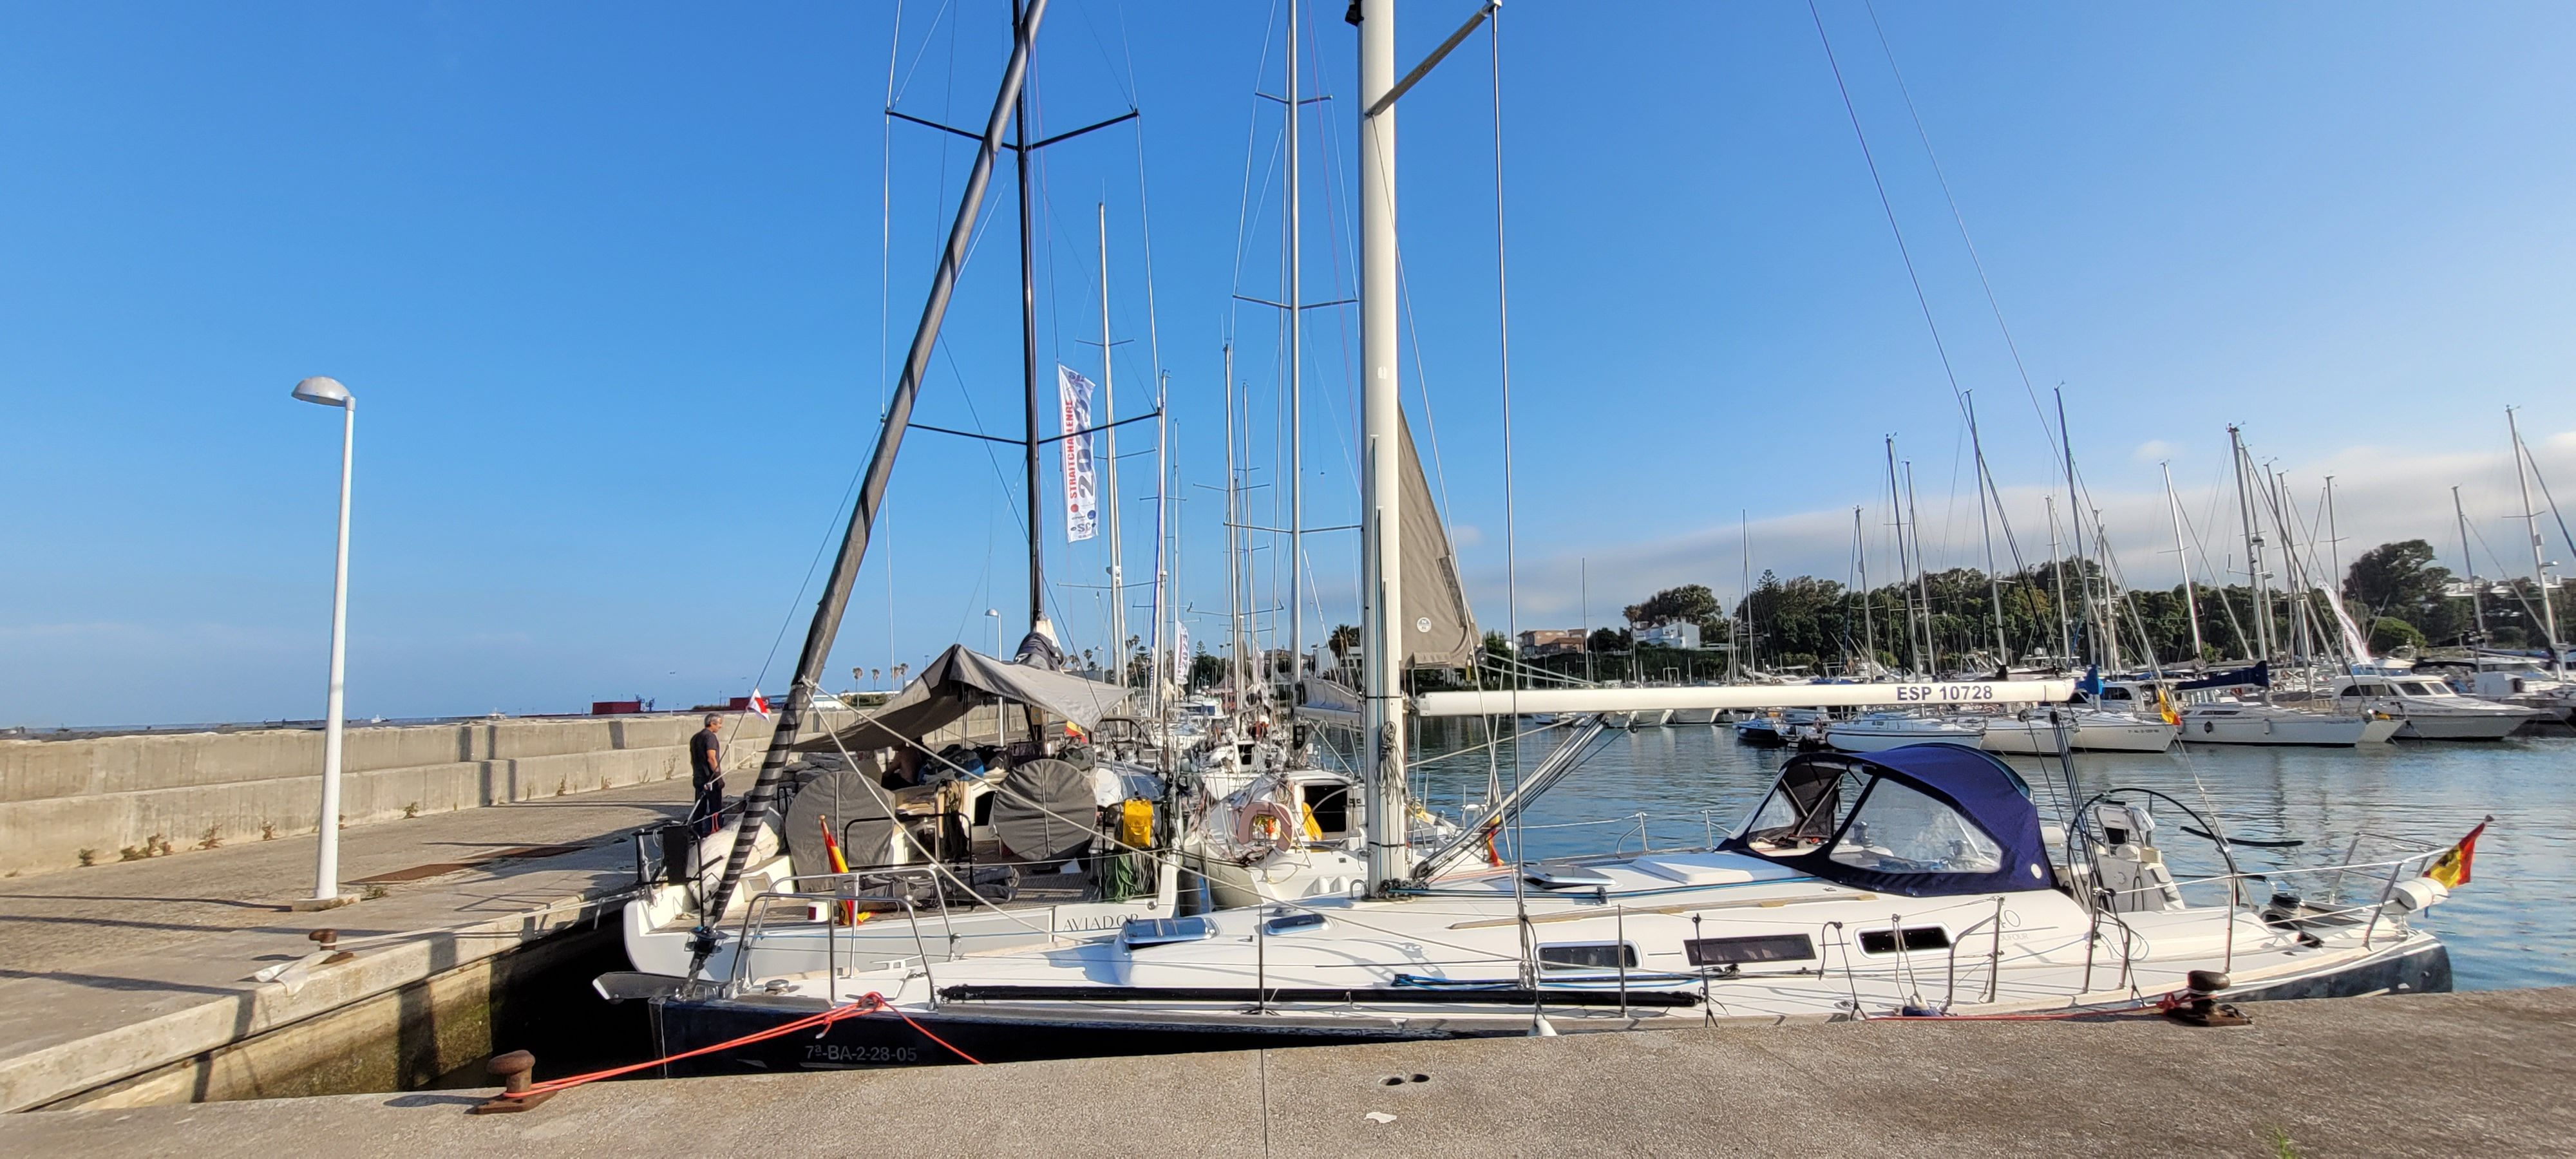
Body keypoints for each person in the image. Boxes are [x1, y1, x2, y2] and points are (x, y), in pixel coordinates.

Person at [688, 713, 725, 836]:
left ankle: (696, 833)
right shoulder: (710, 738)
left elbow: (693, 760)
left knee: (700, 808)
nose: (721, 726)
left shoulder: (695, 738)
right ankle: (715, 831)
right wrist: (718, 776)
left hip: (698, 777)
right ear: (712, 723)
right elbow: (711, 758)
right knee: (715, 807)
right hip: (710, 778)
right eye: (719, 723)